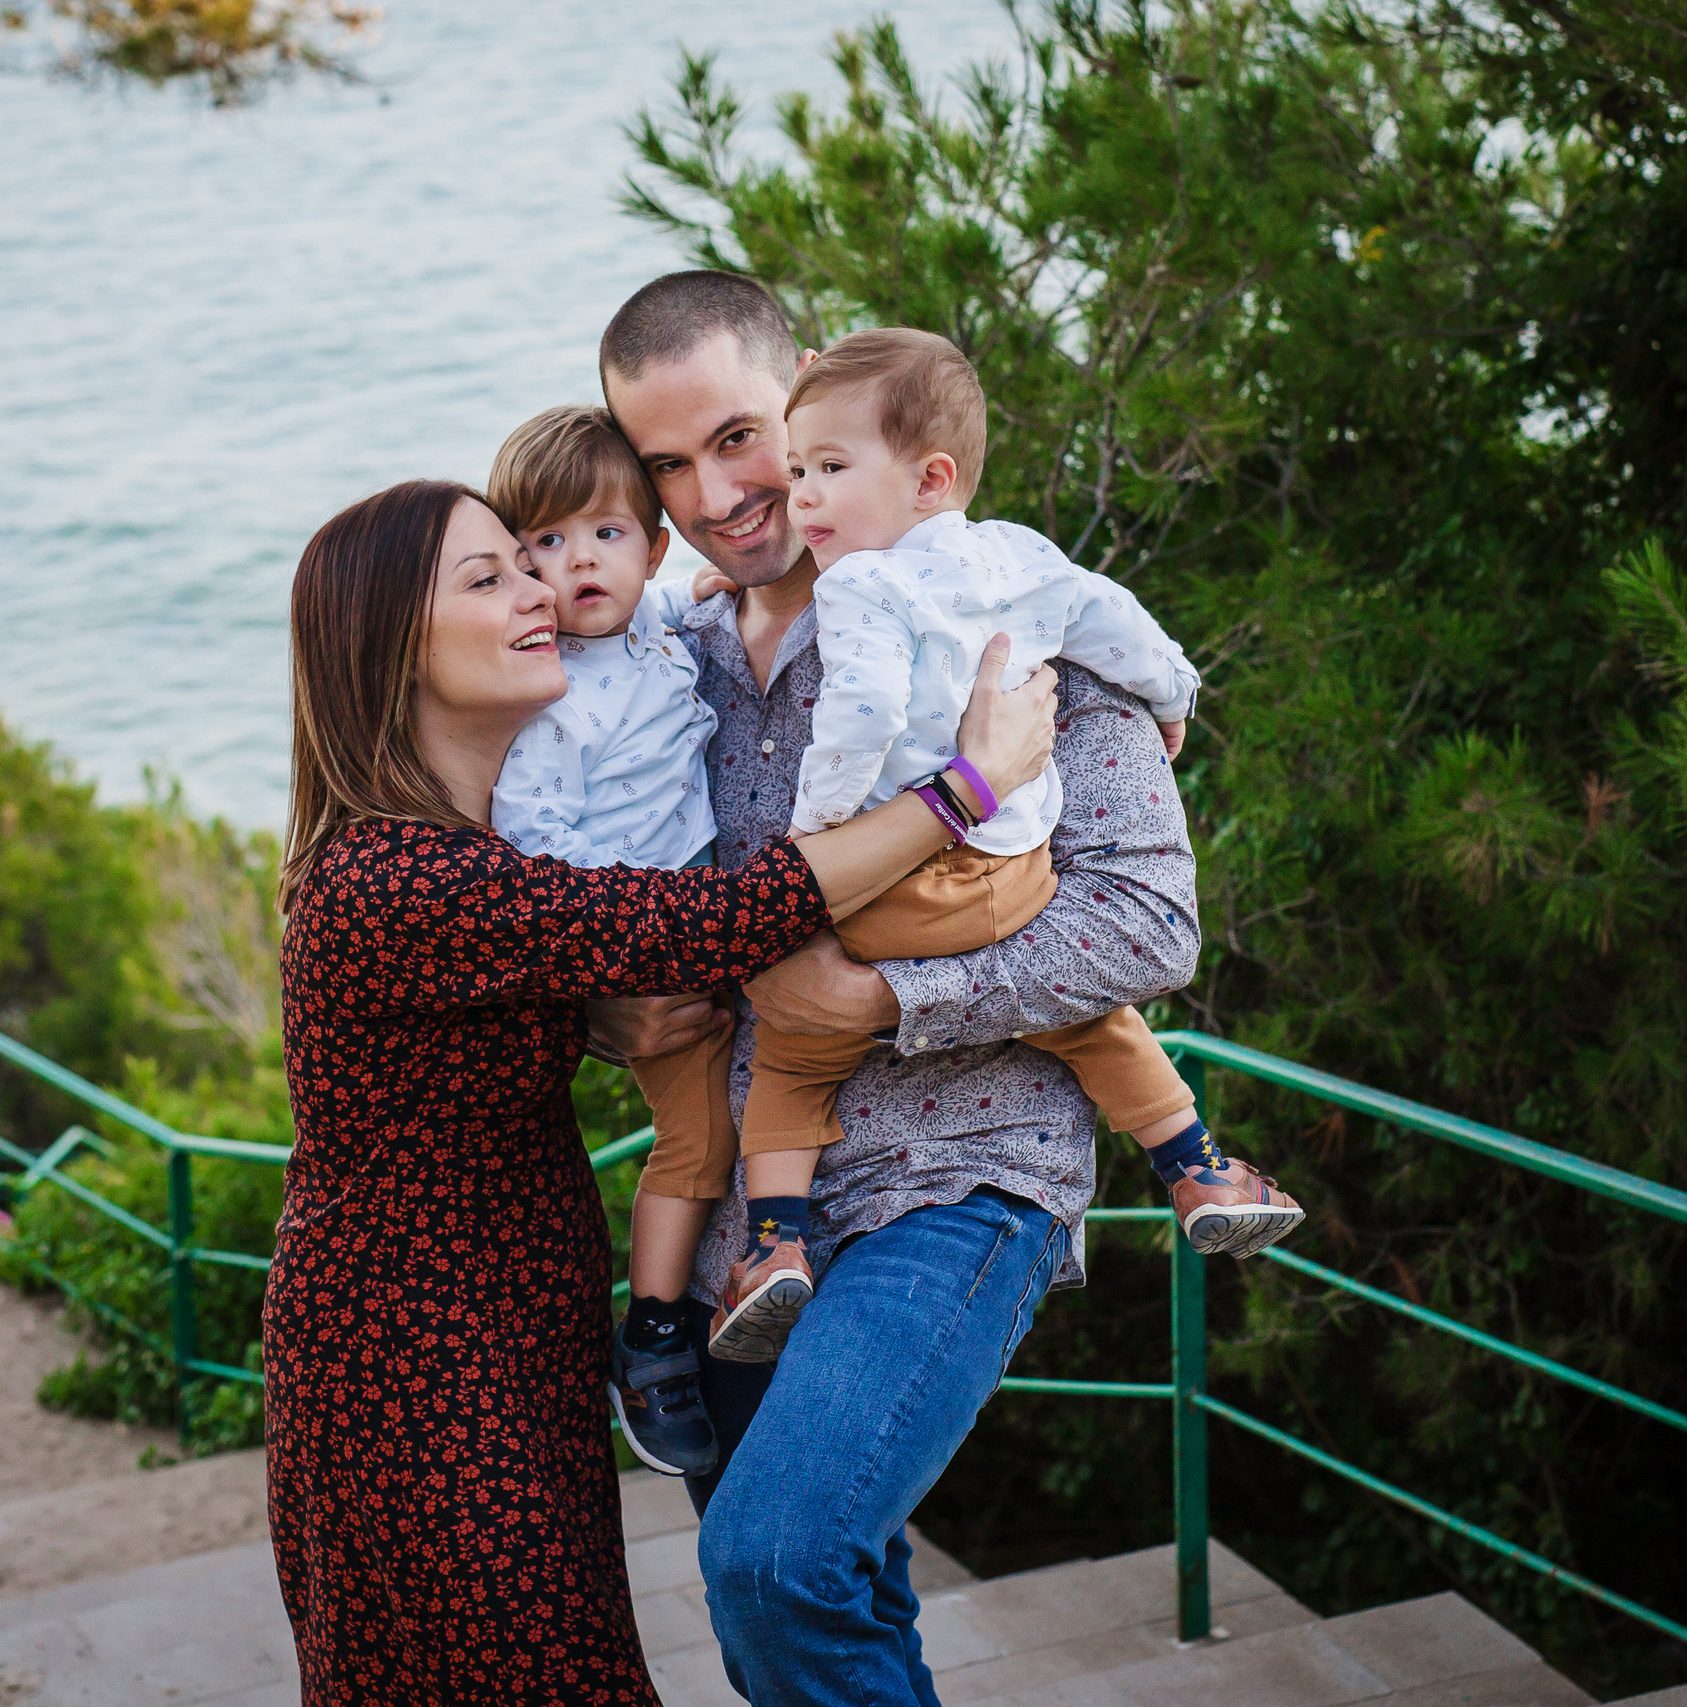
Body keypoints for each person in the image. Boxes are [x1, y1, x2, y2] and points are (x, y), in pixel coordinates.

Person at [261, 477, 1058, 1706]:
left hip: (503, 1325)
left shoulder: (463, 847)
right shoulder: (398, 873)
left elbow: (505, 1003)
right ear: (389, 652)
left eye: (525, 560)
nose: (536, 587)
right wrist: (966, 786)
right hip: (414, 1355)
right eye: (489, 579)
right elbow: (715, 922)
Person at [587, 270, 1220, 1707]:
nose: (718, 496)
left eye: (741, 437)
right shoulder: (665, 656)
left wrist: (883, 1004)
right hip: (761, 1211)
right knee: (831, 1596)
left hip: (964, 1172)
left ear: (807, 390)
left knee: (778, 1559)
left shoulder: (1002, 613)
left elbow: (1148, 921)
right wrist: (605, 1005)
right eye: (667, 465)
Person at [725, 328, 1304, 1365]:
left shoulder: (861, 584)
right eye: (797, 468)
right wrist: (1173, 699)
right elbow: (1117, 624)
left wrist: (816, 830)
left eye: (827, 470)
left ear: (930, 476)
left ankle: (772, 1246)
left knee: (791, 1059)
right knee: (1096, 1024)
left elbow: (859, 712)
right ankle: (1199, 1169)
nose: (799, 496)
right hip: (1011, 880)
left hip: (891, 893)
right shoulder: (1023, 558)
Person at [479, 404, 732, 1477]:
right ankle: (656, 1333)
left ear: (654, 547)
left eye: (606, 534)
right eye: (544, 541)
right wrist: (618, 959)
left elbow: (669, 600)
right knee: (699, 1141)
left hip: (716, 921)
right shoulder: (550, 700)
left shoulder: (658, 624)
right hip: (648, 949)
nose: (577, 559)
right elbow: (537, 846)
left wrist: (715, 585)